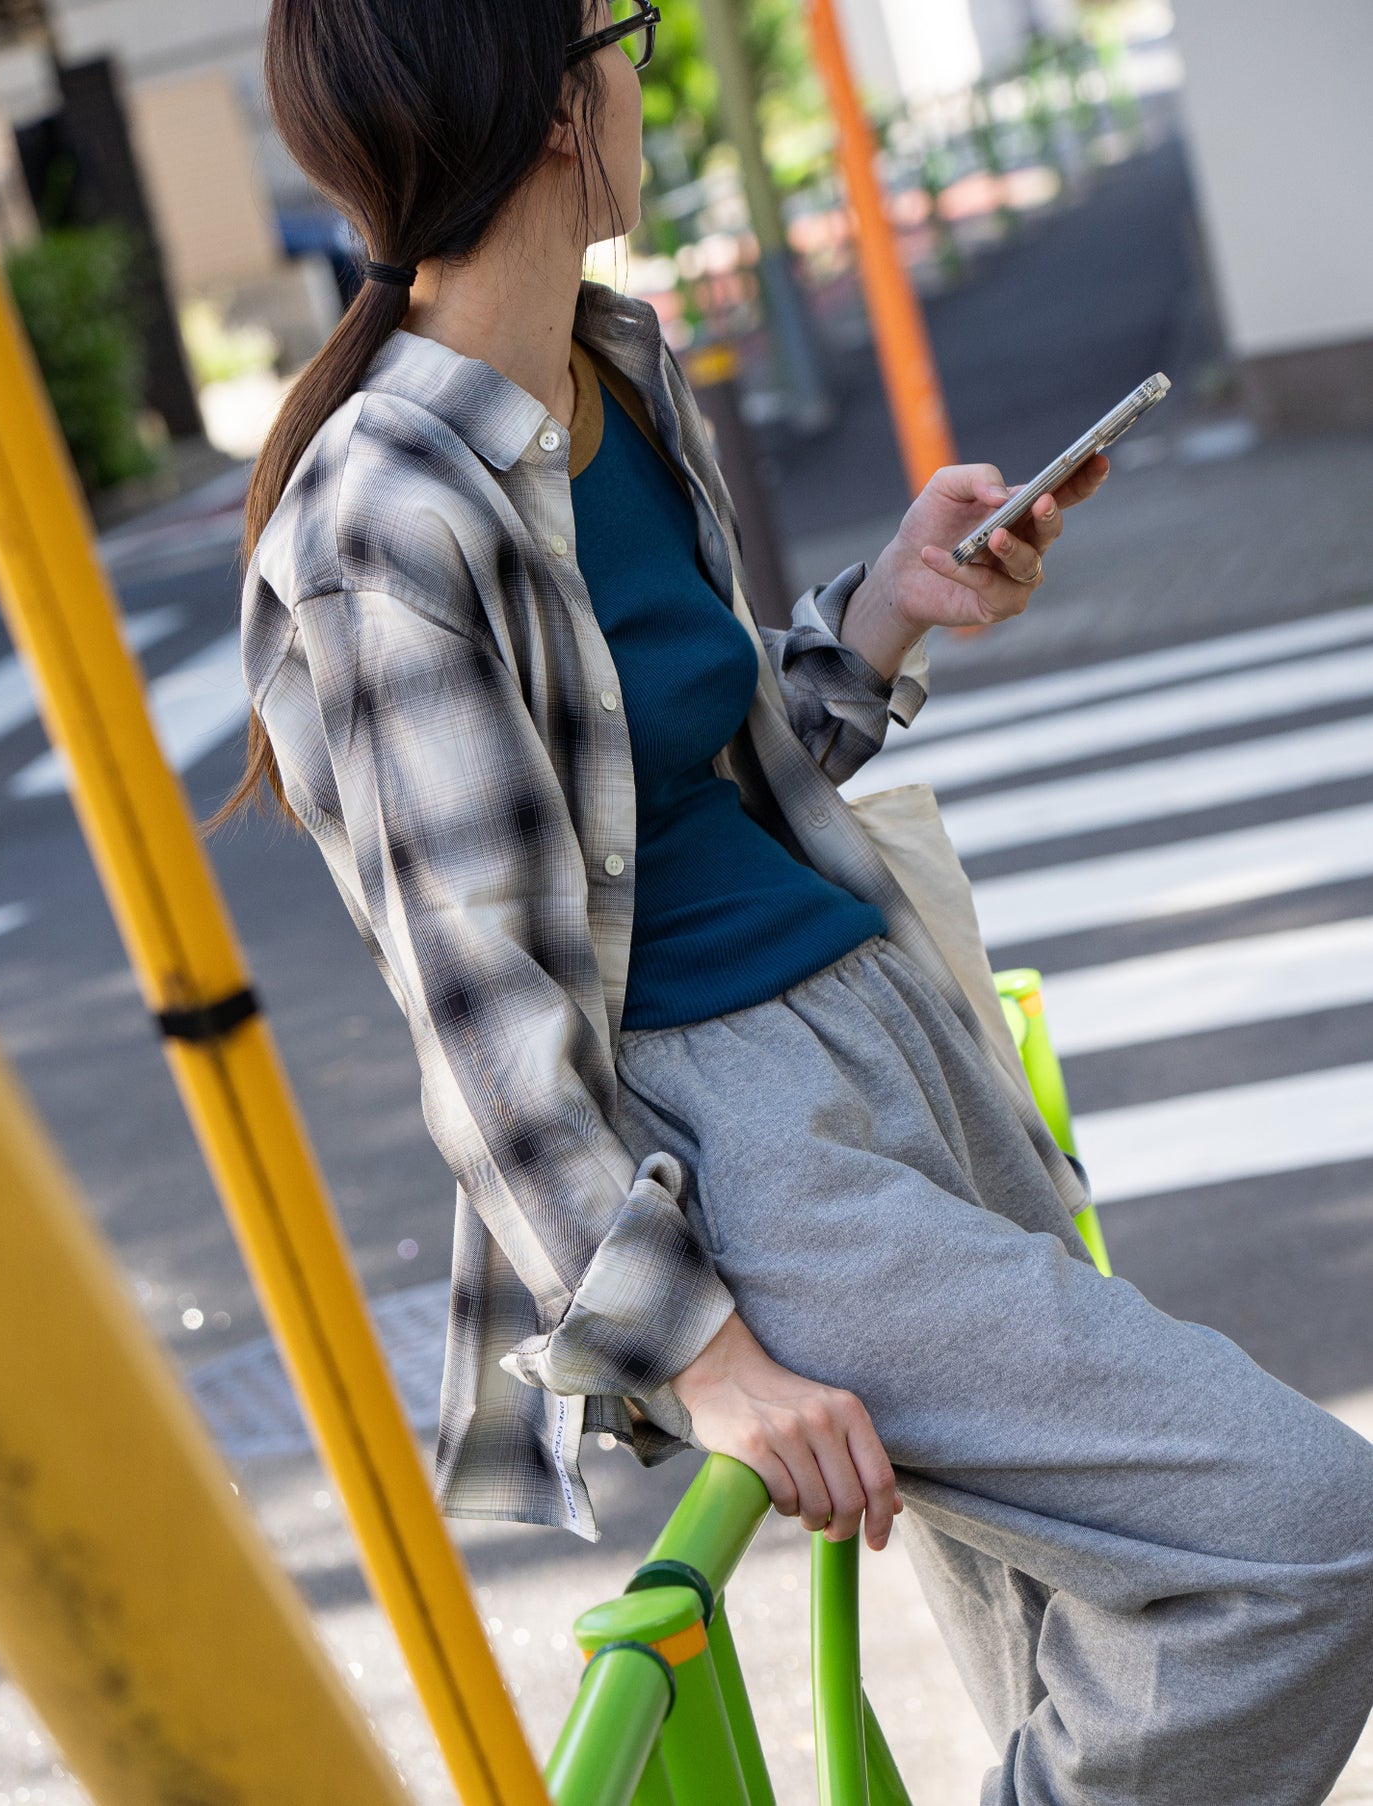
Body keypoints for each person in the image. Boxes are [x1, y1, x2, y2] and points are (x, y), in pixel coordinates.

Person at [217, 1, 1373, 1798]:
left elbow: (696, 763)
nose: (638, 71)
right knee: (1303, 1530)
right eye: (625, 30)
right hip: (739, 1141)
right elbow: (483, 1012)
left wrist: (890, 607)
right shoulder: (382, 511)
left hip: (889, 1013)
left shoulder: (612, 363)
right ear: (540, 104)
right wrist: (706, 1352)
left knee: (1089, 1630)